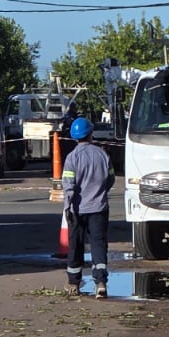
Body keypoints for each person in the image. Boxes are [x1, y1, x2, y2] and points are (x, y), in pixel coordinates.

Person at [61, 116, 115, 299]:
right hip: (99, 208)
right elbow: (111, 178)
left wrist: (68, 206)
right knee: (98, 245)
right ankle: (100, 283)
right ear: (91, 133)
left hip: (77, 209)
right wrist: (100, 192)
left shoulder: (72, 157)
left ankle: (73, 283)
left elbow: (68, 185)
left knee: (75, 246)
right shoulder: (102, 155)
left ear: (75, 137)